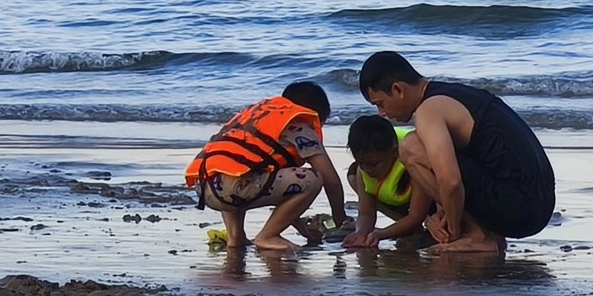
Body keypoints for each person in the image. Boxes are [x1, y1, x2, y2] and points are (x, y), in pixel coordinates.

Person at [358, 50, 557, 253]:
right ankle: (486, 233)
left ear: (398, 89)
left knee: (411, 147)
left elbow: (451, 182)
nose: (382, 113)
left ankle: (477, 235)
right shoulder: (454, 95)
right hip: (540, 204)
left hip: (520, 209)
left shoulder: (429, 110)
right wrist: (442, 212)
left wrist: (453, 231)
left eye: (380, 104)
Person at [184, 81, 348, 251]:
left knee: (239, 169)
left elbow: (283, 193)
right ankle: (267, 236)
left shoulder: (256, 118)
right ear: (314, 113)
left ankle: (235, 238)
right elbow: (331, 181)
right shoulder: (298, 125)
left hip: (204, 186)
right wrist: (339, 218)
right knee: (313, 179)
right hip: (231, 189)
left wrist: (303, 230)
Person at [341, 114, 429, 248]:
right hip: (398, 203)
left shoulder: (412, 161)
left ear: (394, 152)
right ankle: (403, 224)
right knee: (353, 176)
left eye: (373, 164)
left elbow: (416, 216)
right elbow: (366, 212)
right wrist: (361, 233)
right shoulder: (362, 170)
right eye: (360, 163)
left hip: (429, 199)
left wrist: (381, 234)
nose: (366, 169)